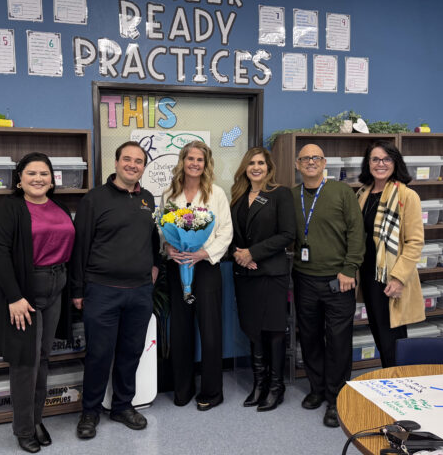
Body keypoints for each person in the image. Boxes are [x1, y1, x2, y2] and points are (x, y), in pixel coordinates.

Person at [70, 141, 160, 440]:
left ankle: (122, 406)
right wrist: (78, 290)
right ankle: (90, 412)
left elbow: (151, 239)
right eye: (127, 159)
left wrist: (156, 265)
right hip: (102, 291)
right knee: (99, 354)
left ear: (143, 166)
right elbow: (80, 246)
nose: (133, 165)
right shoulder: (94, 199)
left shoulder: (148, 200)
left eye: (139, 161)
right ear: (117, 162)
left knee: (131, 352)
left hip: (139, 292)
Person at [0, 152, 75, 453]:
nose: (38, 178)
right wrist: (14, 298)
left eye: (44, 173)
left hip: (56, 289)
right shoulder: (9, 208)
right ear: (19, 179)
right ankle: (23, 428)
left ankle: (37, 419)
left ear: (52, 180)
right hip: (24, 292)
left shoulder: (59, 207)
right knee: (26, 361)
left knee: (43, 357)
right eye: (31, 173)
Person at [291, 144, 365, 428]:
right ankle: (317, 389)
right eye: (305, 158)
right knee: (309, 337)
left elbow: (357, 232)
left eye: (316, 158)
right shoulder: (291, 195)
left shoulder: (343, 192)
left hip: (339, 280)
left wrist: (349, 269)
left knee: (337, 340)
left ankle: (336, 398)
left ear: (324, 163)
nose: (310, 162)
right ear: (298, 165)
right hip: (304, 278)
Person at [162, 140, 233, 411]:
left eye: (199, 160)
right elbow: (162, 229)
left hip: (206, 268)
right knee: (180, 330)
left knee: (210, 331)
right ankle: (183, 388)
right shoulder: (170, 192)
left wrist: (204, 253)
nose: (194, 163)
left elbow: (226, 231)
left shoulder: (216, 193)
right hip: (178, 266)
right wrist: (168, 247)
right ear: (183, 161)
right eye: (190, 158)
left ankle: (213, 392)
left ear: (206, 164)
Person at [230, 147, 296, 411]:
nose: (256, 167)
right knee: (253, 330)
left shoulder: (280, 194)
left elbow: (287, 234)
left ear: (269, 167)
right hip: (245, 273)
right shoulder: (237, 197)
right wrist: (238, 254)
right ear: (245, 167)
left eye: (261, 163)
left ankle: (276, 387)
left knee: (274, 331)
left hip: (271, 273)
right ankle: (260, 383)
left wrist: (252, 252)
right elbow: (230, 233)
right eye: (251, 163)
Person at [356, 140, 426, 368]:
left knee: (393, 339)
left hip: (390, 277)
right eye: (375, 159)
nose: (381, 164)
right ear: (368, 164)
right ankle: (391, 380)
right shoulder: (362, 193)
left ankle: (400, 386)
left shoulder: (407, 196)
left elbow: (415, 242)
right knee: (378, 332)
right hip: (368, 274)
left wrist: (398, 278)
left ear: (395, 163)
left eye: (386, 159)